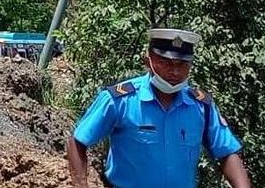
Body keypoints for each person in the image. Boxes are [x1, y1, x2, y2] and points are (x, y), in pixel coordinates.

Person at [67, 28, 251, 188]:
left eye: (182, 64)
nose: (175, 71)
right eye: (166, 62)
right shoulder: (120, 100)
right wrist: (80, 184)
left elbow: (227, 153)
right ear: (148, 61)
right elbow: (78, 142)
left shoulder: (201, 107)